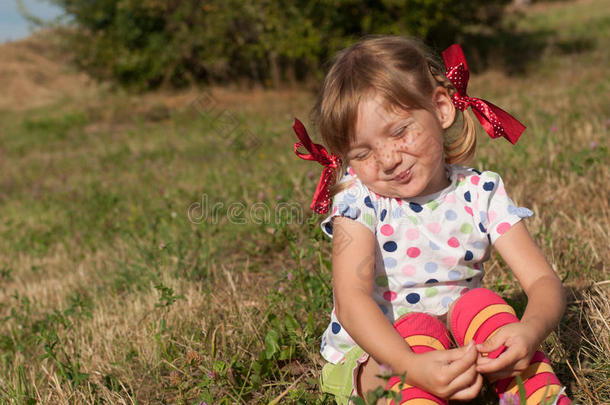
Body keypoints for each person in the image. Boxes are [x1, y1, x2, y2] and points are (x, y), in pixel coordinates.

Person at [292, 36, 570, 404]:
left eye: (400, 131)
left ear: (440, 108)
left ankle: (537, 397)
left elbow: (541, 281)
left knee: (480, 304)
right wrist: (411, 365)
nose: (388, 159)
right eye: (362, 152)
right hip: (379, 353)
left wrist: (529, 332)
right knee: (410, 336)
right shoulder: (358, 201)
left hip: (460, 348)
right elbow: (351, 301)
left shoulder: (479, 192)